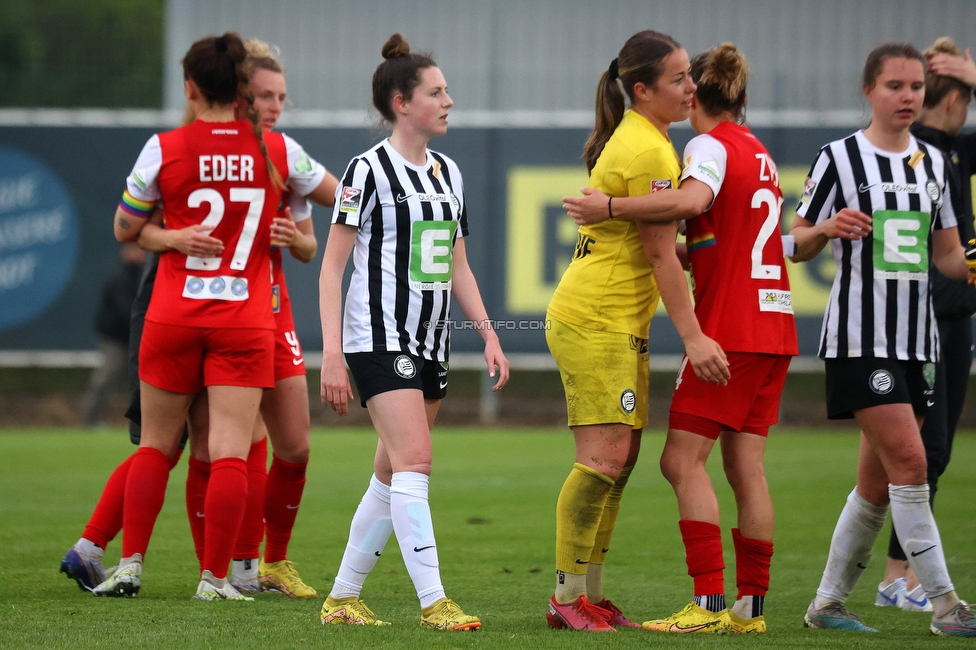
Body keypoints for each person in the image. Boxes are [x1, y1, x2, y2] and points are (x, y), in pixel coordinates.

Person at [59, 38, 335, 600]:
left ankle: (132, 563)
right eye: (263, 95)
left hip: (178, 309)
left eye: (280, 96)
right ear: (238, 91)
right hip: (241, 312)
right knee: (220, 447)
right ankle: (219, 574)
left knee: (165, 444)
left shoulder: (166, 148)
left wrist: (168, 235)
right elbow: (346, 197)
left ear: (190, 86)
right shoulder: (276, 153)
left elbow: (125, 227)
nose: (273, 106)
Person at [567, 43, 796, 635]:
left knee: (678, 461)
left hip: (731, 330)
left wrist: (610, 205)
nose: (685, 88)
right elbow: (743, 234)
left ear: (701, 92)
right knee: (748, 467)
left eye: (688, 79)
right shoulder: (759, 151)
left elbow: (690, 204)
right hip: (776, 326)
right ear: (742, 97)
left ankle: (709, 607)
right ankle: (751, 611)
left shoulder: (706, 146)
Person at [318, 33, 509, 631]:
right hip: (377, 337)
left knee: (391, 470)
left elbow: (457, 266)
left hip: (432, 340)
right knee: (417, 461)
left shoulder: (448, 172)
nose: (449, 100)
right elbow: (332, 266)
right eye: (437, 91)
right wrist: (329, 352)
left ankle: (342, 598)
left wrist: (489, 334)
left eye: (446, 90)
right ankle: (435, 604)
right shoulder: (367, 170)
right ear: (402, 102)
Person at [544, 30, 729, 633]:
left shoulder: (647, 138)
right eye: (678, 78)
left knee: (621, 460)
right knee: (603, 458)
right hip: (597, 316)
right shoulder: (649, 151)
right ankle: (566, 597)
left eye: (689, 76)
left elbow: (652, 243)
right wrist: (695, 336)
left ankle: (589, 595)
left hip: (617, 317)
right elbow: (657, 255)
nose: (691, 87)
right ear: (643, 89)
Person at [790, 42, 976, 637]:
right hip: (859, 339)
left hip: (918, 343)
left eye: (917, 87)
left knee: (876, 483)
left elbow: (947, 257)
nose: (908, 96)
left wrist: (972, 265)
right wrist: (825, 226)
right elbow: (793, 242)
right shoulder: (839, 158)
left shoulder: (932, 164)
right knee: (913, 462)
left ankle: (826, 605)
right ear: (868, 89)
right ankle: (947, 607)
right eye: (895, 85)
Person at [875, 37, 976, 614]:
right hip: (925, 320)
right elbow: (913, 254)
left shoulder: (951, 152)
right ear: (955, 99)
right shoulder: (921, 157)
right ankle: (909, 582)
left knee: (925, 455)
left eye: (914, 86)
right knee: (924, 451)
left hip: (948, 317)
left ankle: (897, 577)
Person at [82, 243, 147, 428]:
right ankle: (90, 419)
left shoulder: (146, 275)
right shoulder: (120, 277)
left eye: (142, 249)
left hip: (135, 337)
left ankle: (140, 422)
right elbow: (125, 309)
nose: (141, 254)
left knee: (142, 380)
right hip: (115, 338)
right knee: (106, 376)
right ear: (125, 252)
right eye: (136, 249)